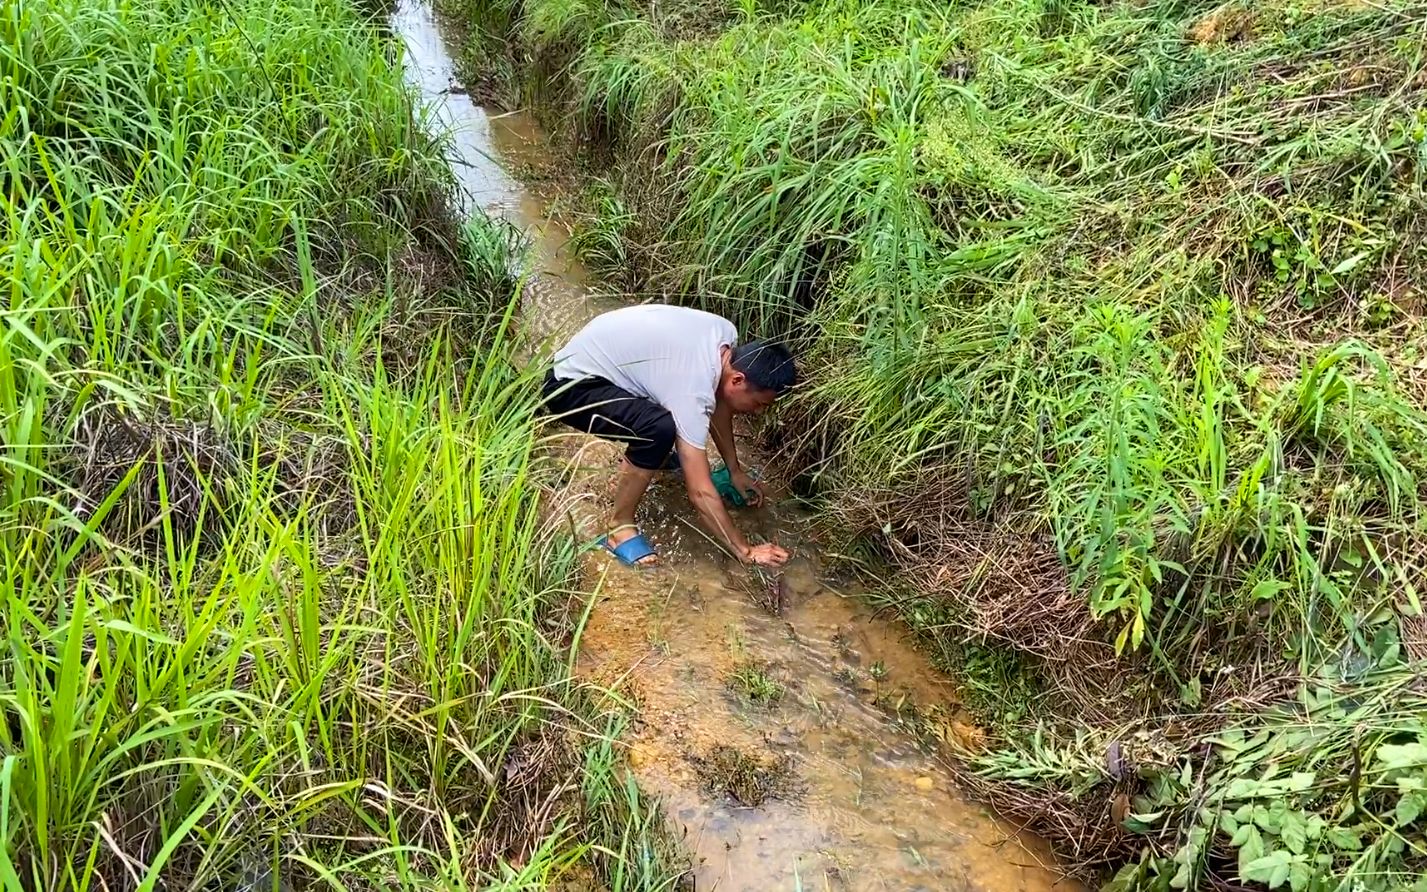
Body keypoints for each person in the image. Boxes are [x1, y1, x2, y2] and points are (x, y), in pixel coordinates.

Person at [541, 304, 795, 568]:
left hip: (596, 359)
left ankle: (652, 461)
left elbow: (719, 403)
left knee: (666, 423)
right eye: (759, 404)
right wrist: (746, 551)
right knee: (658, 429)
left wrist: (734, 470)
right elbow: (699, 493)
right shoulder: (692, 389)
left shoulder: (724, 336)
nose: (756, 412)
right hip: (570, 387)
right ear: (738, 380)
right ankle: (619, 527)